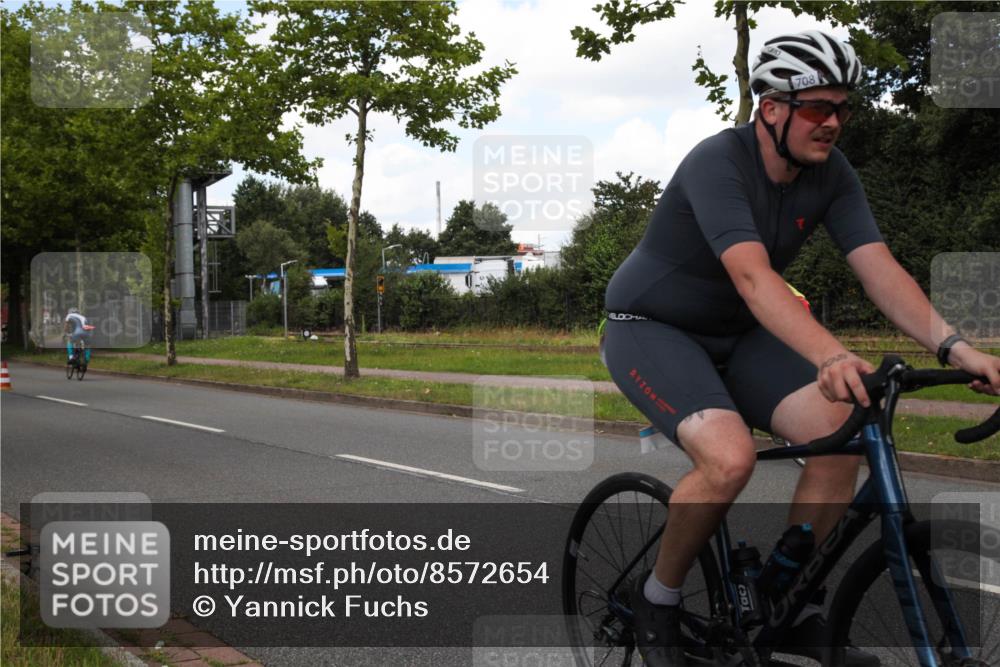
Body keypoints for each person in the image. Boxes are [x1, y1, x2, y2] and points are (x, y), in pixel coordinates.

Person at [602, 30, 1000, 666]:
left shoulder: (832, 174)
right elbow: (755, 279)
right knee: (729, 461)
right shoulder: (718, 161)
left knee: (843, 436)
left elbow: (879, 269)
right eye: (819, 107)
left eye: (844, 108)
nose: (834, 122)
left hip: (740, 333)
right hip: (651, 326)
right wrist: (832, 355)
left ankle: (788, 603)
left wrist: (957, 348)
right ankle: (659, 600)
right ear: (772, 107)